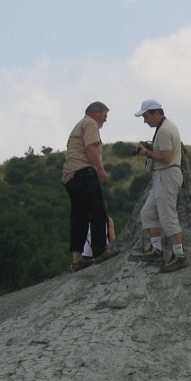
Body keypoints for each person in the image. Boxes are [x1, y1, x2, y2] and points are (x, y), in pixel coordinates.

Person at [62, 101, 118, 272]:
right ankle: (100, 250)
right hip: (84, 172)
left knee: (79, 215)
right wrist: (101, 171)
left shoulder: (77, 126)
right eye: (105, 115)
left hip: (69, 176)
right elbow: (90, 147)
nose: (105, 120)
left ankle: (77, 259)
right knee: (98, 210)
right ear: (96, 112)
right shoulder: (90, 123)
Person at [134, 99, 188, 272]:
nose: (145, 120)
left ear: (157, 113)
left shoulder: (164, 130)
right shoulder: (164, 128)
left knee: (167, 215)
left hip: (167, 173)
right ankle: (157, 250)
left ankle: (179, 255)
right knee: (148, 212)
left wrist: (146, 152)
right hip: (163, 174)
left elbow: (165, 157)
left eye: (146, 116)